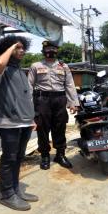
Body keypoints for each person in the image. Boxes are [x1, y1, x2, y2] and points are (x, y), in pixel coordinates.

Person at [0, 35, 38, 211]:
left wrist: (31, 118)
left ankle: (15, 189)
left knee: (19, 157)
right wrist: (11, 47)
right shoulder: (1, 70)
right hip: (8, 123)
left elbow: (26, 97)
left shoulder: (20, 71)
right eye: (18, 48)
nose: (22, 51)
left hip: (24, 122)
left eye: (22, 47)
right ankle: (6, 193)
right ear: (7, 49)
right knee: (9, 158)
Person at [28, 40, 79, 170]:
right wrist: (28, 107)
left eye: (53, 49)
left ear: (57, 51)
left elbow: (69, 85)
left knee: (60, 127)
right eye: (48, 48)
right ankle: (44, 156)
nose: (51, 51)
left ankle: (60, 155)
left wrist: (73, 103)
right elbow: (29, 87)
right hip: (42, 100)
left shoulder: (64, 66)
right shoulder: (35, 66)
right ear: (43, 50)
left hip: (59, 99)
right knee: (42, 129)